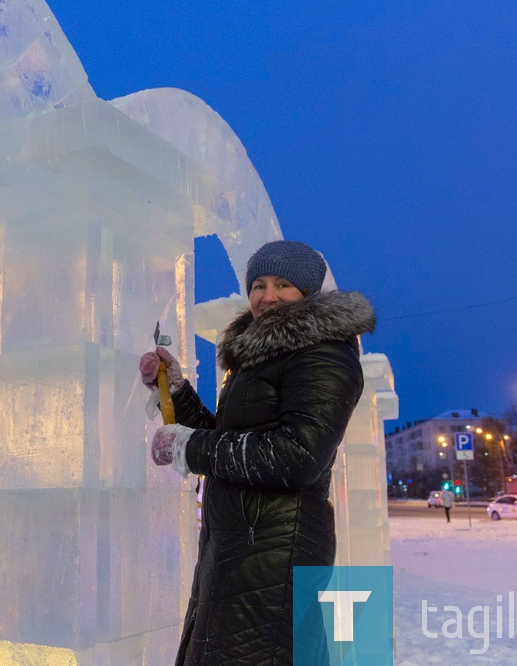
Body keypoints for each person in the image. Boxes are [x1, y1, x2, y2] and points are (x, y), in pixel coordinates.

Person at [139, 240, 375, 664]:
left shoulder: (325, 354)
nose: (267, 296)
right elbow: (232, 443)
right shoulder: (259, 359)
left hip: (276, 556)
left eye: (282, 284)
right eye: (258, 285)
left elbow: (298, 456)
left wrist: (188, 447)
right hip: (237, 547)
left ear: (307, 293)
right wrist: (175, 392)